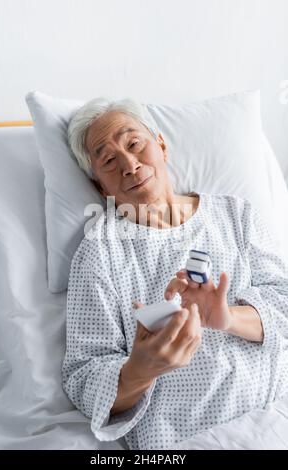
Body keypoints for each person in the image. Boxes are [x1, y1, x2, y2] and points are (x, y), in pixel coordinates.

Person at [62, 97, 288, 450]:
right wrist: (140, 369)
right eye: (108, 160)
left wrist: (229, 317)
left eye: (134, 144)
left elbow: (284, 305)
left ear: (162, 146)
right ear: (101, 188)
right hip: (187, 440)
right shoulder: (100, 253)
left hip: (275, 413)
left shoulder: (235, 215)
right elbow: (83, 377)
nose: (130, 165)